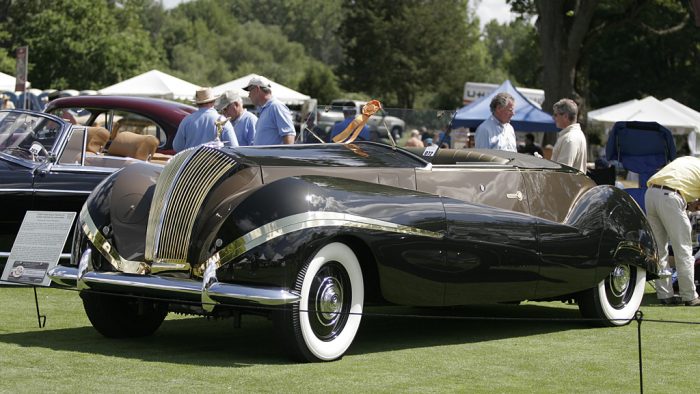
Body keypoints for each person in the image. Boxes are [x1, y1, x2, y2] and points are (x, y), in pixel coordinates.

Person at [645, 156, 700, 306]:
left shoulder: (688, 160)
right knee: (683, 249)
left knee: (660, 251)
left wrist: (690, 204)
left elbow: (678, 182)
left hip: (650, 194)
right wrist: (695, 204)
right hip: (671, 197)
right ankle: (690, 296)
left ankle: (665, 295)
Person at [173, 87, 238, 152]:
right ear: (214, 101)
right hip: (216, 161)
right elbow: (234, 148)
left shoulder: (187, 120)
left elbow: (177, 147)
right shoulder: (223, 121)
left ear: (197, 103)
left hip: (192, 161)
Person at [243, 75, 296, 145]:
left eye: (250, 91)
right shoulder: (267, 109)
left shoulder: (276, 106)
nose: (249, 95)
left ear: (257, 89)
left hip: (273, 156)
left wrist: (285, 155)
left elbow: (289, 135)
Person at [550, 98, 587, 172]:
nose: (553, 118)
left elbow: (563, 172)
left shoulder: (570, 139)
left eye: (555, 115)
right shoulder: (575, 135)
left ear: (565, 116)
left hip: (566, 183)